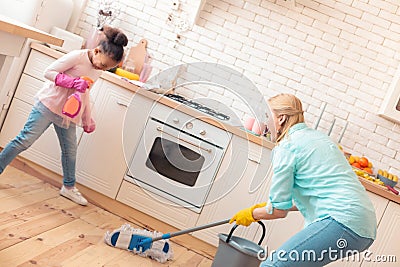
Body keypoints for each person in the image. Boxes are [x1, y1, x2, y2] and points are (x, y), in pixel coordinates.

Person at [230, 94, 376, 266]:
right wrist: (266, 207)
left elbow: (278, 211)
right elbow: (312, 195)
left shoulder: (287, 147)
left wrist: (251, 214)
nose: (264, 124)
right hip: (363, 226)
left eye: (266, 117)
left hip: (341, 221)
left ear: (281, 118)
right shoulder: (321, 139)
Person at [0, 26, 128, 206]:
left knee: (70, 151)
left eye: (108, 68)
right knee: (25, 140)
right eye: (104, 65)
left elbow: (85, 93)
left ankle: (68, 187)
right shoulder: (77, 56)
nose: (103, 69)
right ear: (97, 51)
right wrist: (73, 82)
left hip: (68, 114)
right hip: (48, 105)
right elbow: (49, 72)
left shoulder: (98, 70)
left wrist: (87, 119)